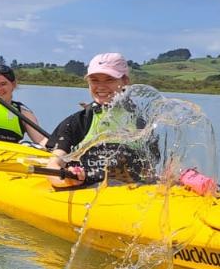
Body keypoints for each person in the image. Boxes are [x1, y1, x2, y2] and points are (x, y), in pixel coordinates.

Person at [45, 52, 153, 189]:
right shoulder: (77, 121)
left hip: (131, 192)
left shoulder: (142, 121)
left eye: (109, 79)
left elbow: (152, 169)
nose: (101, 86)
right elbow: (54, 165)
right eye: (94, 80)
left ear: (125, 81)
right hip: (87, 190)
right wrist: (66, 180)